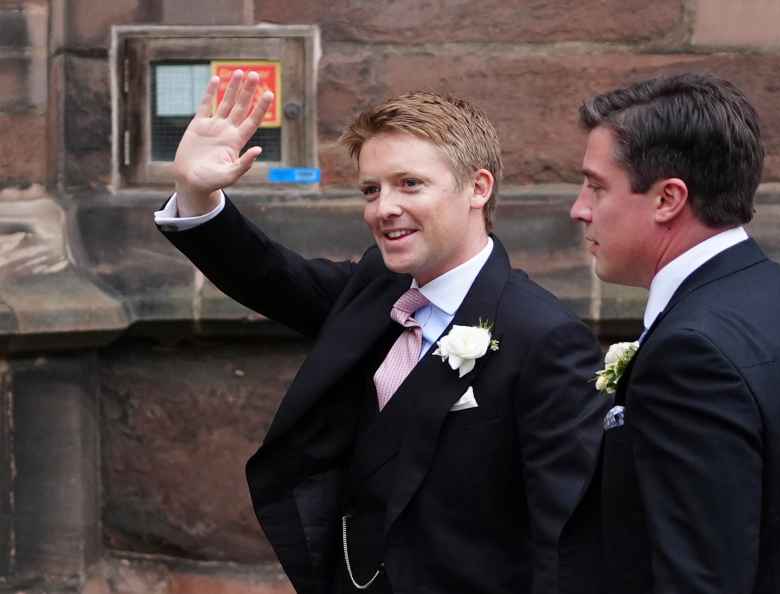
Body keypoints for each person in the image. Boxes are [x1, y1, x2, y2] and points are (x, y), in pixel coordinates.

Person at [155, 70, 607, 594]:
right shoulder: (376, 286)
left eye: (409, 183)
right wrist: (195, 193)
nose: (383, 208)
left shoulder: (546, 339)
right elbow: (272, 277)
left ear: (477, 188)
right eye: (371, 189)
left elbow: (566, 537)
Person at [568, 72, 780, 593]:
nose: (579, 209)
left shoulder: (689, 353)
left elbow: (699, 577)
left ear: (667, 199)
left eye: (596, 185)